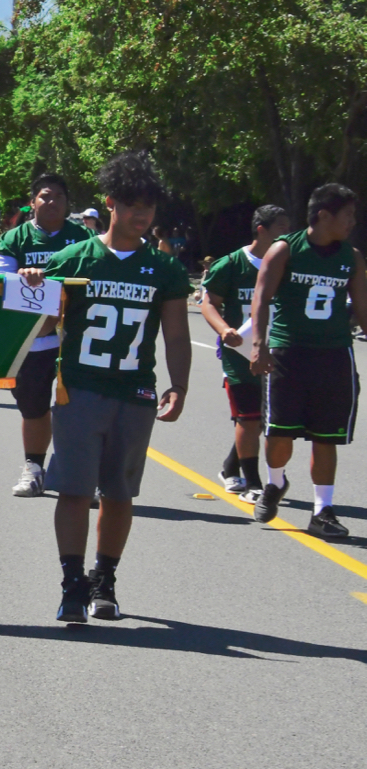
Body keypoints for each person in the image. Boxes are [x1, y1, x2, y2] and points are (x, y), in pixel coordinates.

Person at [38, 151, 191, 622]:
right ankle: (71, 582)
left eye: (148, 206)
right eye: (131, 205)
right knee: (75, 491)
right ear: (110, 204)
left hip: (135, 392)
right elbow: (42, 323)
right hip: (80, 388)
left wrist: (178, 385)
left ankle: (105, 580)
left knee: (120, 494)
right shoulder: (76, 256)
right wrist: (33, 283)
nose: (141, 215)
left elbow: (176, 333)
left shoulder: (164, 269)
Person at [249, 184, 367, 538]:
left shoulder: (352, 257)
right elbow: (261, 297)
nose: (352, 222)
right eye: (347, 215)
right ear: (324, 215)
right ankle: (275, 482)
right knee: (279, 434)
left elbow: (362, 310)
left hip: (333, 355)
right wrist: (259, 344)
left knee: (326, 435)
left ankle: (322, 510)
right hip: (288, 352)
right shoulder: (286, 250)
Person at [0, 174, 93, 498]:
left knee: (77, 409)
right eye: (45, 196)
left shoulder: (83, 238)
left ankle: (79, 474)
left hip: (74, 340)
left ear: (68, 203)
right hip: (32, 340)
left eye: (59, 197)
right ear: (32, 200)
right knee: (33, 409)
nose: (52, 203)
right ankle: (33, 468)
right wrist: (22, 279)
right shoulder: (14, 239)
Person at [199, 205, 289, 504]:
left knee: (262, 420)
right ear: (261, 230)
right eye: (281, 228)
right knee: (249, 419)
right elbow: (208, 302)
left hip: (277, 353)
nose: (287, 235)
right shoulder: (232, 264)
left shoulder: (288, 263)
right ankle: (253, 483)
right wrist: (225, 329)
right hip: (240, 354)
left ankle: (229, 467)